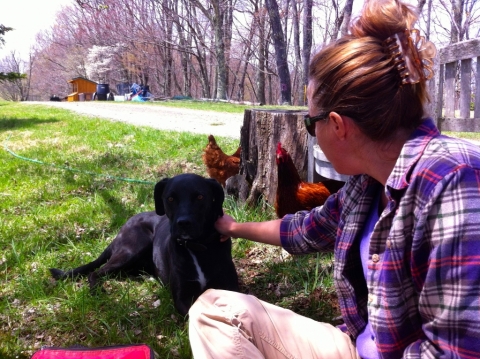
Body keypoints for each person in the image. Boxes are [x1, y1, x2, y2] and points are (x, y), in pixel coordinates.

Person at [188, 0, 480, 357]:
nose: (310, 132)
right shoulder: (368, 185)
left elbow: (457, 351)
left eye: (311, 122)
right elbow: (303, 229)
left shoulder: (454, 181)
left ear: (338, 125)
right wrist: (233, 228)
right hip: (359, 347)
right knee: (214, 310)